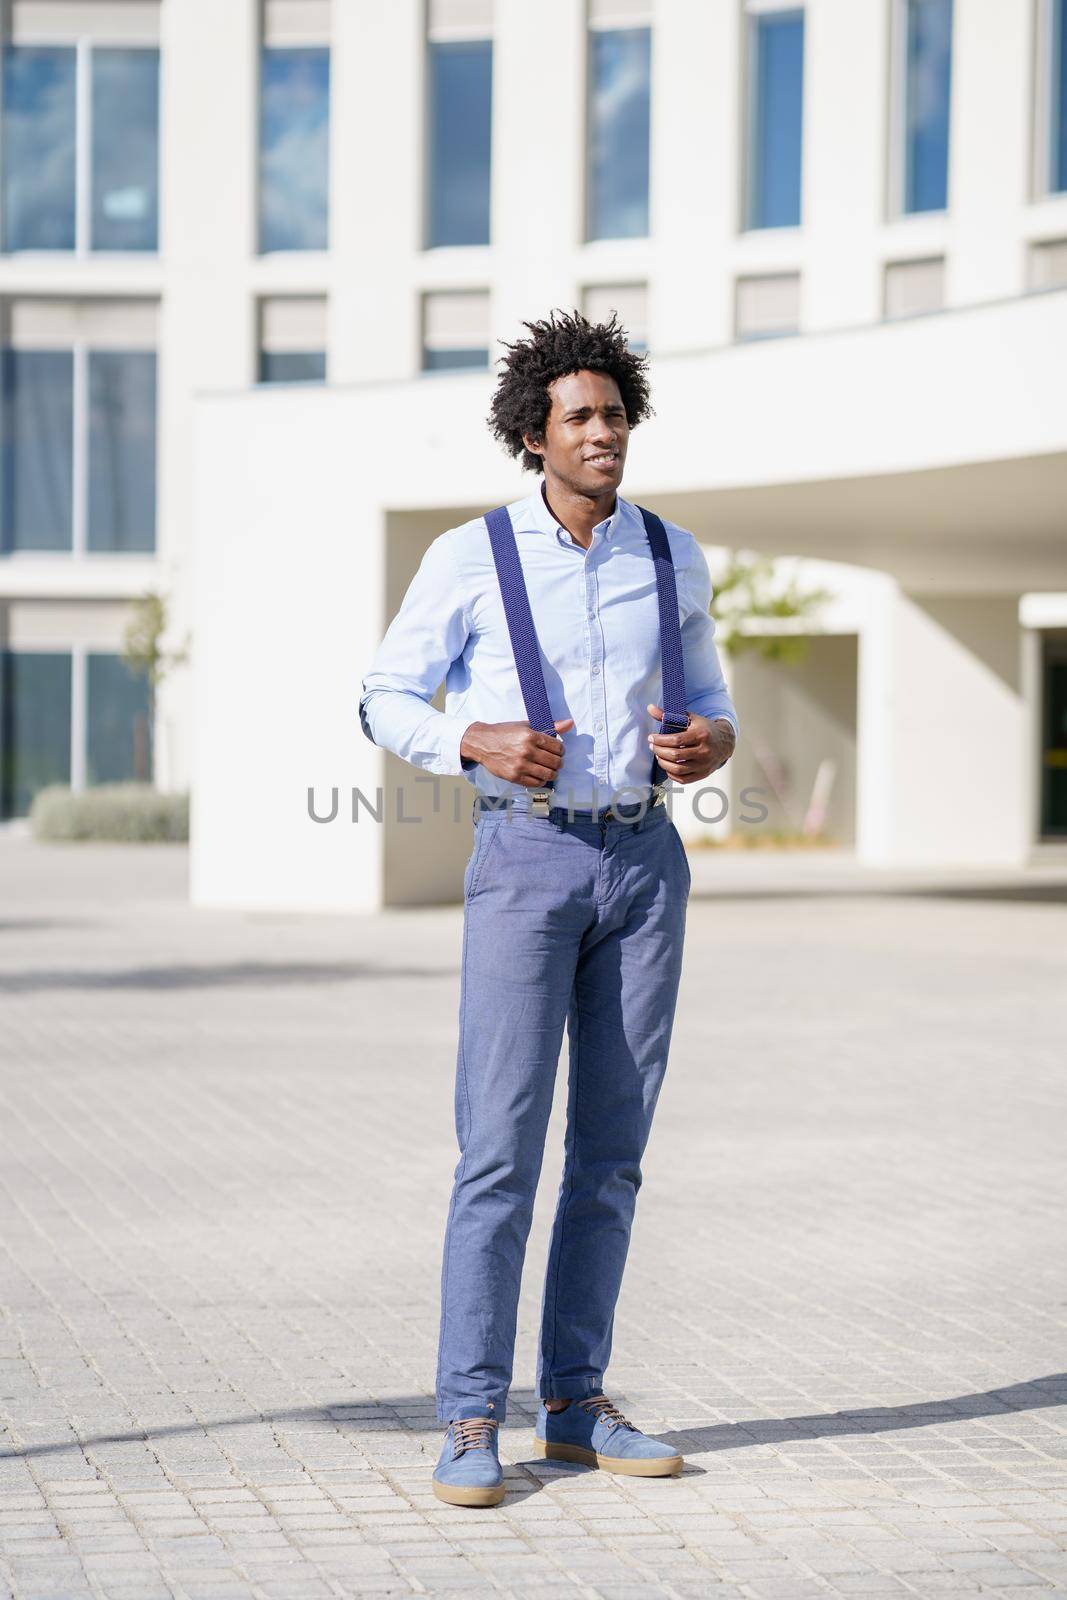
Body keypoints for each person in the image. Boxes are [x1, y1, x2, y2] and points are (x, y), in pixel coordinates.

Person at [359, 309, 738, 1507]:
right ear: (534, 433)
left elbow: (716, 702)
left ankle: (574, 1404)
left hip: (643, 863)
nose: (602, 433)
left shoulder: (672, 555)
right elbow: (381, 696)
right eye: (578, 415)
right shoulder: (471, 556)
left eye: (615, 414)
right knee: (500, 1153)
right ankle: (471, 1415)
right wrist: (470, 735)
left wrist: (710, 740)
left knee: (612, 1154)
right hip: (524, 861)